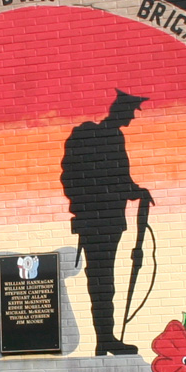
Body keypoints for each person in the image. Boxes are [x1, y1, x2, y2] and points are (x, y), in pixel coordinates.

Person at [60, 91, 153, 356]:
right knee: (101, 278)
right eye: (131, 112)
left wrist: (136, 190)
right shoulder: (95, 136)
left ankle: (106, 337)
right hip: (96, 219)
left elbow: (120, 178)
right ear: (120, 110)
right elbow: (80, 177)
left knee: (103, 278)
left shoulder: (112, 136)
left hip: (108, 219)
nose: (132, 117)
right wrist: (91, 203)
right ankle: (104, 338)